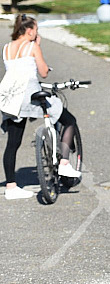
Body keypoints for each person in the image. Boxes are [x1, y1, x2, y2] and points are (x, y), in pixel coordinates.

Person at [2, 14, 81, 200]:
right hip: (30, 94)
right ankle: (63, 162)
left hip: (11, 98)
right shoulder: (32, 45)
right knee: (69, 120)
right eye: (36, 30)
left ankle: (11, 187)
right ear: (29, 31)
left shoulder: (6, 48)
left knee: (13, 143)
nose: (37, 33)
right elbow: (43, 72)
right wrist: (38, 44)